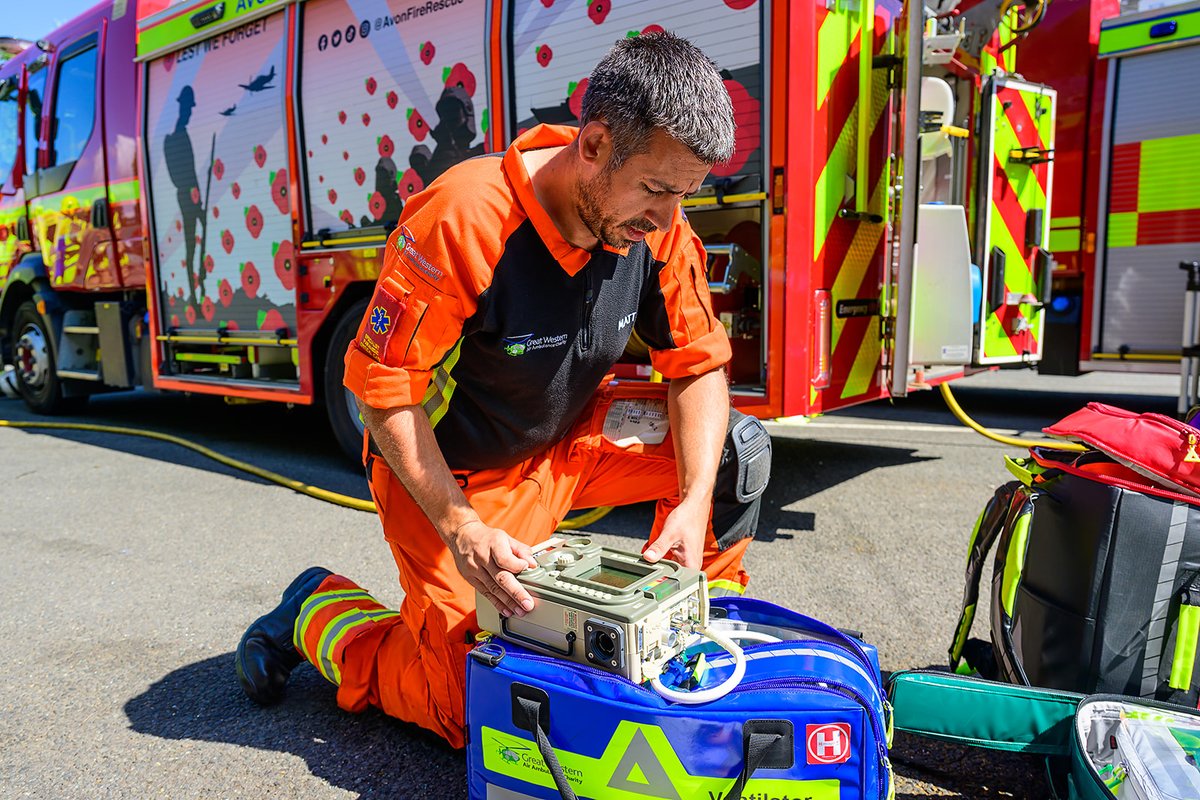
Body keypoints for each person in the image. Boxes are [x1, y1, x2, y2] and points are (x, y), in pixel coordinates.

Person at [234, 32, 772, 748]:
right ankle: (319, 612)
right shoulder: (464, 219)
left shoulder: (652, 226)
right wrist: (462, 530)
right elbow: (382, 395)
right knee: (471, 704)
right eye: (655, 190)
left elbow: (698, 364)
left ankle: (700, 633)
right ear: (594, 144)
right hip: (458, 479)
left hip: (568, 448)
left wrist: (695, 500)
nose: (668, 220)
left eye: (684, 195)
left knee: (735, 450)